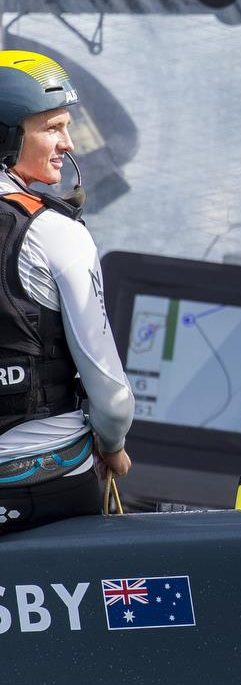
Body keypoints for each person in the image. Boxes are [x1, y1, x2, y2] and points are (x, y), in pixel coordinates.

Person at [0, 50, 134, 533]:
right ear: (7, 136)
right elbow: (110, 392)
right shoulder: (55, 231)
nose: (68, 143)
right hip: (44, 482)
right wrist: (113, 445)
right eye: (52, 128)